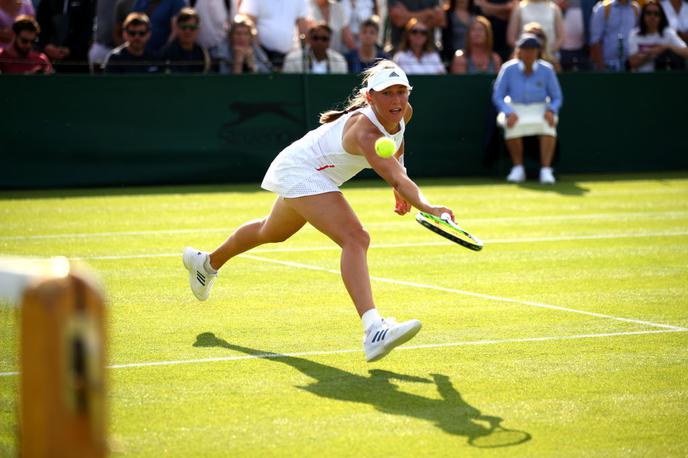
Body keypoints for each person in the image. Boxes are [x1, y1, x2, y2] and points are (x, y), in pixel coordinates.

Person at [182, 60, 455, 363]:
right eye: (387, 93)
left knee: (270, 232)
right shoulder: (365, 132)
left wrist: (398, 185)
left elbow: (397, 145)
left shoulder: (403, 112)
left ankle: (205, 263)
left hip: (312, 169)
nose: (396, 100)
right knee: (356, 238)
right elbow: (397, 176)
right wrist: (429, 207)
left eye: (401, 92)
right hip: (302, 169)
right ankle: (373, 330)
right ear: (370, 97)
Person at [492, 33, 563, 184]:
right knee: (511, 124)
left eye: (532, 49)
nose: (529, 53)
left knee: (549, 124)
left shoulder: (547, 69)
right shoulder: (508, 69)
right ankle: (518, 168)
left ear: (538, 51)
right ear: (519, 51)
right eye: (525, 49)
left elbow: (557, 97)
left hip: (540, 107)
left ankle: (546, 169)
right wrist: (508, 111)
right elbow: (498, 96)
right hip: (515, 107)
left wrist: (551, 110)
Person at [239, 0, 309, 71]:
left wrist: (302, 52)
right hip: (260, 56)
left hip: (289, 58)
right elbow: (248, 23)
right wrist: (260, 54)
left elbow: (302, 29)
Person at [36, 0, 95, 72]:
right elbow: (39, 27)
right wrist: (46, 45)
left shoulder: (85, 2)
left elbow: (87, 30)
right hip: (49, 59)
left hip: (77, 61)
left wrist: (71, 50)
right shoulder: (46, 2)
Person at [628, 0, 687, 71]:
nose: (652, 17)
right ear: (643, 15)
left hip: (663, 79)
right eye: (648, 13)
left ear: (661, 17)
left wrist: (666, 47)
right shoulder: (635, 34)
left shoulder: (668, 33)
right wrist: (651, 53)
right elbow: (632, 63)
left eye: (656, 14)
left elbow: (686, 52)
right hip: (641, 79)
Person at [589, 0, 640, 71]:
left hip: (630, 66)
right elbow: (595, 41)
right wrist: (601, 68)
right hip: (608, 66)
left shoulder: (636, 9)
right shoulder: (602, 9)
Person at [282, 22, 348, 73]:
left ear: (329, 41)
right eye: (315, 38)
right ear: (309, 39)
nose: (320, 42)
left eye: (324, 39)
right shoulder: (293, 60)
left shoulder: (339, 61)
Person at [160, 7, 211, 73]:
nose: (187, 31)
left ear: (198, 30)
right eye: (184, 27)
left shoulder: (203, 54)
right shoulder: (167, 53)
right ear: (177, 28)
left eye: (192, 28)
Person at [441, 0, 477, 65]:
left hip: (476, 56)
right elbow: (445, 40)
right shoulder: (447, 15)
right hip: (455, 58)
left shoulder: (477, 12)